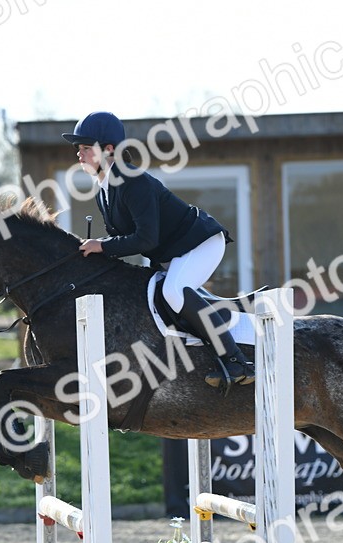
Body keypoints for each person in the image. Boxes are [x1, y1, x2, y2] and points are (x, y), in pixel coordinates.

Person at [63, 111, 254, 391]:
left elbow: (145, 239)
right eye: (77, 149)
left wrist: (102, 246)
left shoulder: (132, 181)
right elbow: (122, 237)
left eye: (85, 148)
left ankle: (236, 360)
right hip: (173, 252)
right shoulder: (103, 188)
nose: (79, 155)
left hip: (199, 243)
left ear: (109, 149)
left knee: (173, 292)